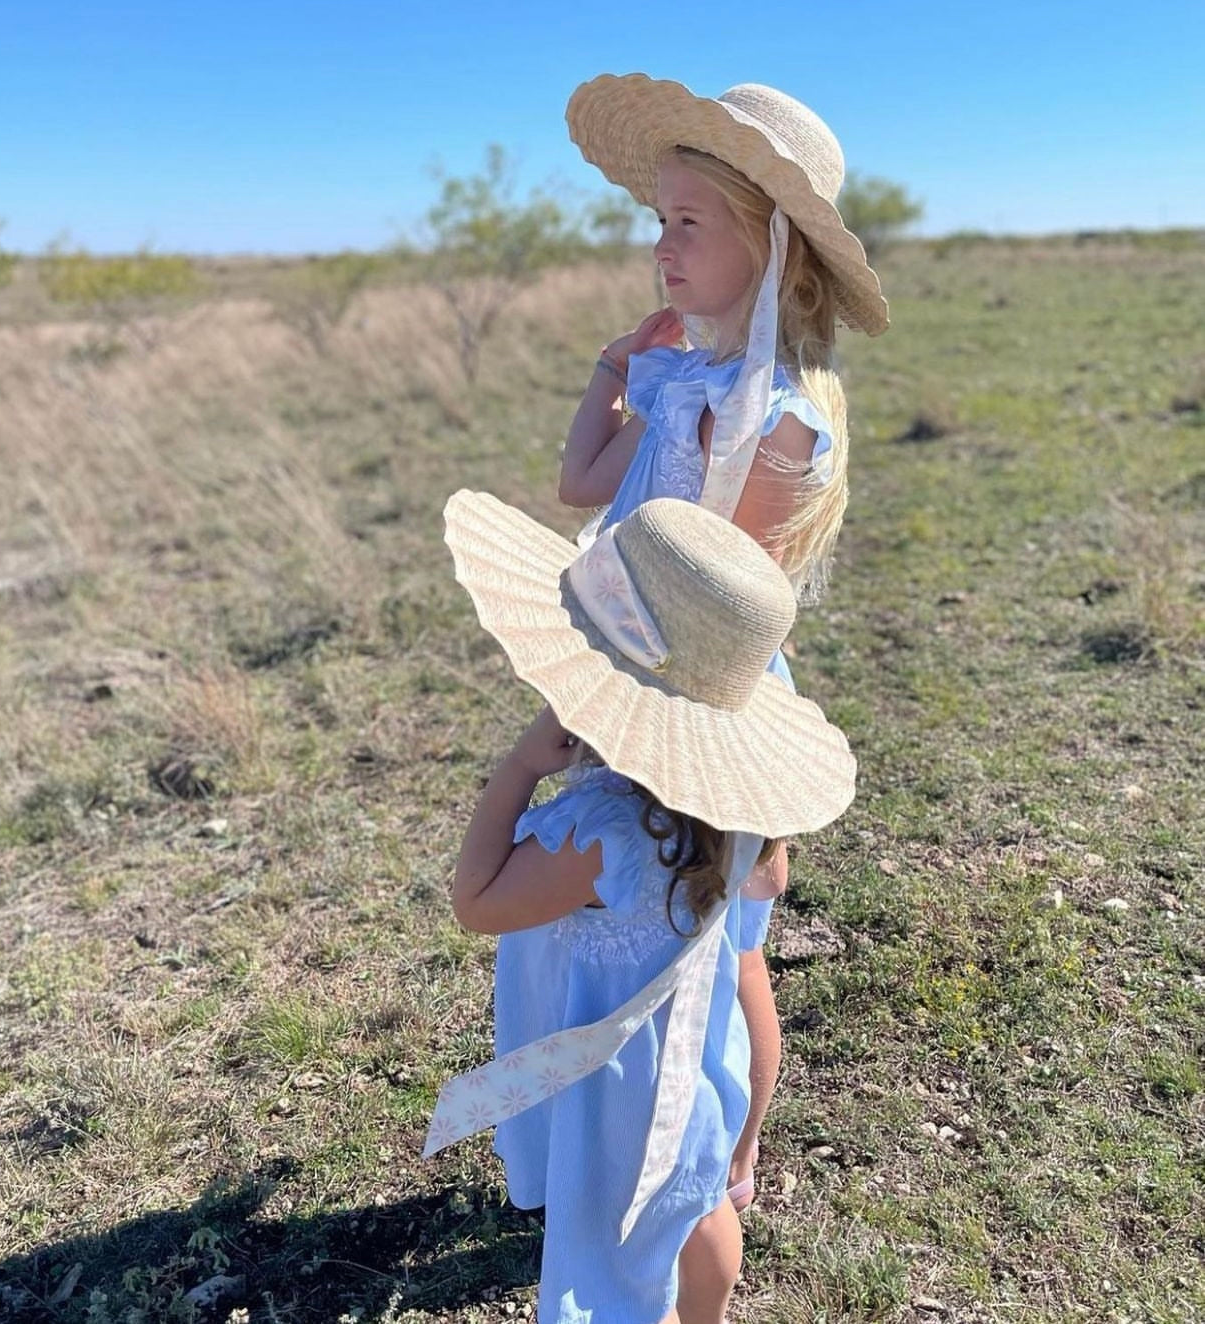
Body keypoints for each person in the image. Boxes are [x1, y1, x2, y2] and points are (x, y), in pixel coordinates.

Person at [557, 74, 889, 1208]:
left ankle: (730, 1148)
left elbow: (722, 608)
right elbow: (581, 482)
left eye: (688, 221)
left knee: (728, 937)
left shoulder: (779, 419)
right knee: (644, 921)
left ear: (775, 248)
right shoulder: (685, 375)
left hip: (700, 688)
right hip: (626, 672)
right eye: (659, 220)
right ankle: (629, 1125)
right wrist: (617, 370)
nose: (662, 245)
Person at [425, 491, 856, 1324]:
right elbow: (769, 888)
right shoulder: (735, 818)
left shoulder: (604, 834)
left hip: (617, 1083)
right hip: (696, 1057)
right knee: (698, 1200)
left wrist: (519, 769)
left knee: (622, 1230)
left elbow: (477, 902)